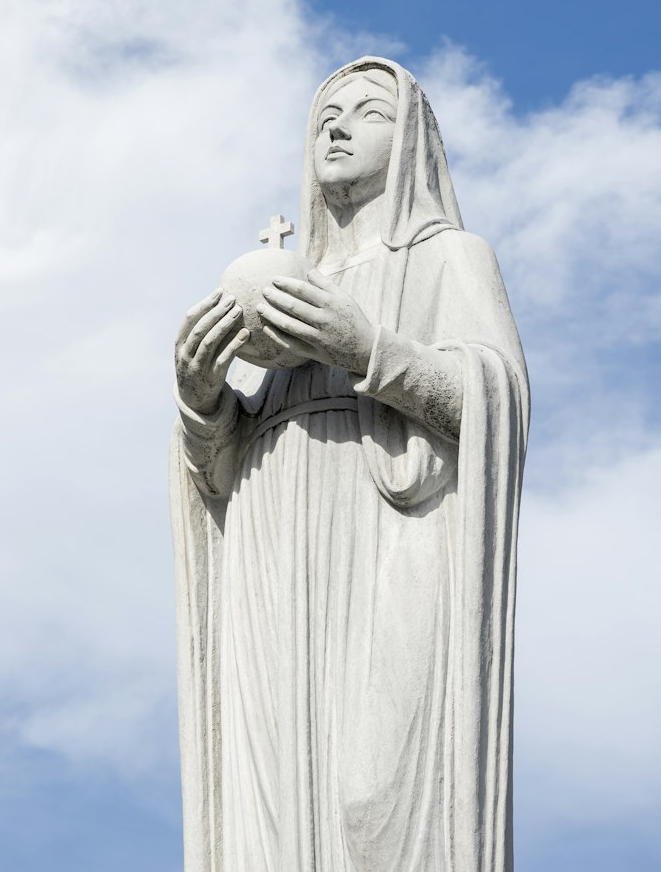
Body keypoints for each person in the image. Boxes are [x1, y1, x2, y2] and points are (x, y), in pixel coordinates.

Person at [170, 57, 529, 872]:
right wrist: (203, 400)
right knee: (266, 801)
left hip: (390, 532)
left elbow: (491, 400)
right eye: (326, 115)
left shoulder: (449, 258)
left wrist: (366, 348)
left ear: (409, 148)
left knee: (374, 795)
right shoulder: (286, 280)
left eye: (367, 113)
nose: (335, 127)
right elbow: (217, 477)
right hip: (272, 541)